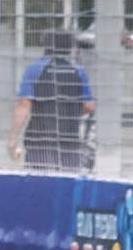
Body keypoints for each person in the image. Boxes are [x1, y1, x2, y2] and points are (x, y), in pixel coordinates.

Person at [19, 32, 98, 172]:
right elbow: (89, 106)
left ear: (47, 47)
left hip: (39, 142)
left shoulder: (34, 69)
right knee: (67, 184)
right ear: (69, 48)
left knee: (38, 184)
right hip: (69, 142)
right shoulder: (78, 71)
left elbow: (24, 106)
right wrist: (70, 111)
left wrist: (13, 140)